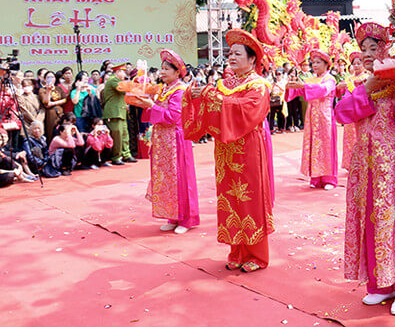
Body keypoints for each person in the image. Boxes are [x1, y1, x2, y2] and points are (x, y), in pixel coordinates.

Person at [334, 22, 395, 316]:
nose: (368, 54)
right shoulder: (359, 83)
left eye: (375, 48)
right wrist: (368, 88)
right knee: (372, 220)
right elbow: (341, 113)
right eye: (364, 49)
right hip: (366, 162)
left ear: (387, 49)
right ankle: (380, 283)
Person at [181, 29, 273, 273]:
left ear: (252, 58)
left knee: (249, 198)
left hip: (249, 148)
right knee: (229, 199)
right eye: (229, 53)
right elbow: (209, 109)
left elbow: (248, 111)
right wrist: (194, 95)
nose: (231, 57)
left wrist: (214, 98)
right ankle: (236, 250)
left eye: (237, 53)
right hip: (224, 149)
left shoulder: (259, 85)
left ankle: (257, 254)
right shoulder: (224, 84)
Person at [135, 49, 199, 234]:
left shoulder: (179, 90)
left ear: (177, 72)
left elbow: (173, 116)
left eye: (166, 69)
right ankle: (173, 216)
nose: (162, 72)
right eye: (161, 69)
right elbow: (155, 112)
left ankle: (186, 219)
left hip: (176, 140)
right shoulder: (164, 89)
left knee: (180, 178)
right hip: (163, 140)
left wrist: (151, 106)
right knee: (168, 180)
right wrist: (146, 104)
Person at [286, 50, 338, 190]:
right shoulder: (311, 79)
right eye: (313, 62)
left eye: (318, 62)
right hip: (311, 117)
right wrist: (291, 86)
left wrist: (303, 86)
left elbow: (322, 90)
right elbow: (299, 91)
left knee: (326, 146)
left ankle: (329, 179)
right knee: (313, 145)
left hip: (325, 116)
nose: (314, 65)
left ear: (326, 64)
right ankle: (316, 178)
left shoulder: (330, 79)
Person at [337, 52, 369, 169]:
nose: (356, 66)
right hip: (349, 111)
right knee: (349, 138)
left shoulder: (366, 78)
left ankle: (362, 164)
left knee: (360, 137)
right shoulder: (348, 78)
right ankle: (349, 164)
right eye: (354, 64)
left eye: (358, 63)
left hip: (361, 111)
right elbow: (343, 93)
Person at [102, 63, 137, 165]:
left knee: (125, 135)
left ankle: (126, 154)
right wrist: (134, 82)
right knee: (117, 136)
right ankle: (116, 157)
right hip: (114, 112)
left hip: (120, 112)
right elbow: (122, 89)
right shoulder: (113, 80)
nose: (124, 74)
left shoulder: (119, 81)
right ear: (117, 72)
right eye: (123, 72)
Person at [39, 70, 67, 143]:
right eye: (48, 77)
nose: (51, 79)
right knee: (50, 132)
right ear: (45, 79)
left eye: (52, 77)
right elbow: (46, 102)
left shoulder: (59, 88)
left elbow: (64, 99)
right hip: (50, 115)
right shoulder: (42, 90)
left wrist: (53, 103)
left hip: (60, 113)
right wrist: (48, 90)